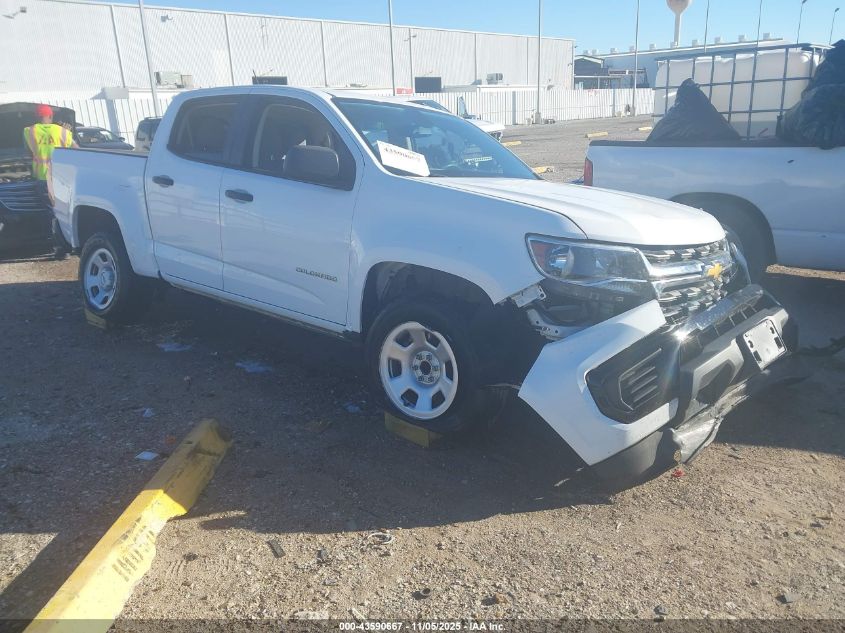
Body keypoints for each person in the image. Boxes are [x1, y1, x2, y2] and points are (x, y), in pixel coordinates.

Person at [22, 104, 77, 259]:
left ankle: (60, 248)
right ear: (51, 116)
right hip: (63, 179)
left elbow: (27, 153)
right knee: (66, 211)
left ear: (36, 117)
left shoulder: (29, 131)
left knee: (52, 214)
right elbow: (76, 149)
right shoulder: (63, 132)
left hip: (43, 179)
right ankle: (72, 244)